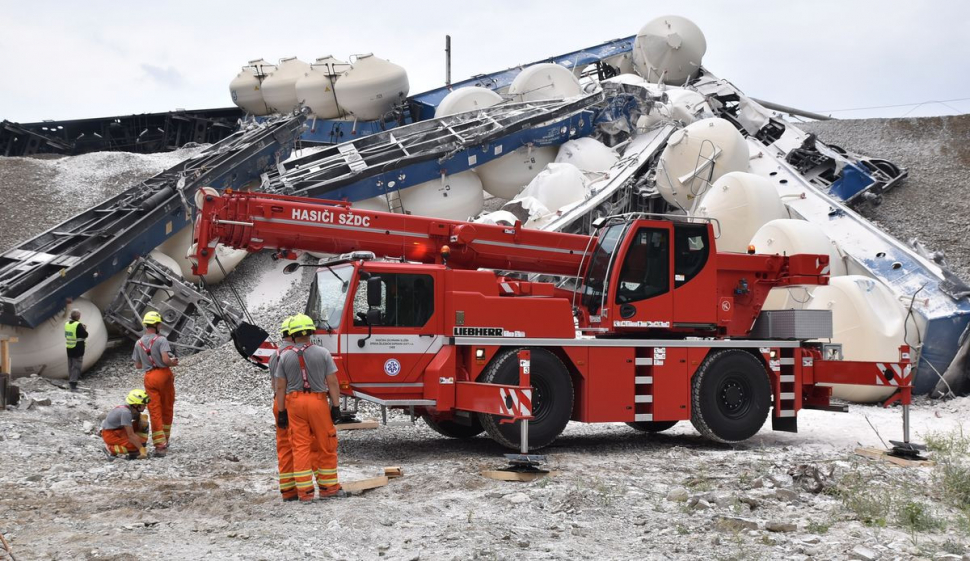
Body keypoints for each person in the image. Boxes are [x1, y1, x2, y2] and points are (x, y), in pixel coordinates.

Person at [274, 313, 342, 501]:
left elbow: (280, 386)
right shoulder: (323, 353)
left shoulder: (285, 356)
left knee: (300, 446)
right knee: (326, 443)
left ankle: (305, 492)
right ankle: (329, 488)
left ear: (293, 335)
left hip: (294, 403)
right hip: (318, 401)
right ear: (311, 332)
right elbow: (333, 382)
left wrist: (281, 411)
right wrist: (335, 407)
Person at [132, 311, 178, 456]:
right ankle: (166, 439)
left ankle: (159, 445)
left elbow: (137, 366)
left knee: (154, 411)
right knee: (167, 408)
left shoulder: (138, 343)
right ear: (157, 325)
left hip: (149, 377)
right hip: (163, 375)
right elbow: (165, 360)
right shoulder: (161, 340)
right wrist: (173, 362)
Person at [101, 389, 150, 459]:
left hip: (119, 430)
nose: (145, 407)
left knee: (140, 440)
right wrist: (142, 449)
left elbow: (137, 421)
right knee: (135, 444)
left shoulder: (131, 409)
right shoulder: (126, 412)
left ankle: (135, 451)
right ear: (136, 404)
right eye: (143, 405)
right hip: (110, 434)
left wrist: (141, 420)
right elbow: (131, 435)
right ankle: (110, 449)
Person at [64, 309, 88, 392]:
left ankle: (71, 381)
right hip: (77, 348)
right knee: (76, 366)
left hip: (69, 348)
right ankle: (73, 385)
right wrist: (84, 328)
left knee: (70, 365)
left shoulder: (67, 324)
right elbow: (85, 335)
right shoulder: (78, 325)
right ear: (78, 316)